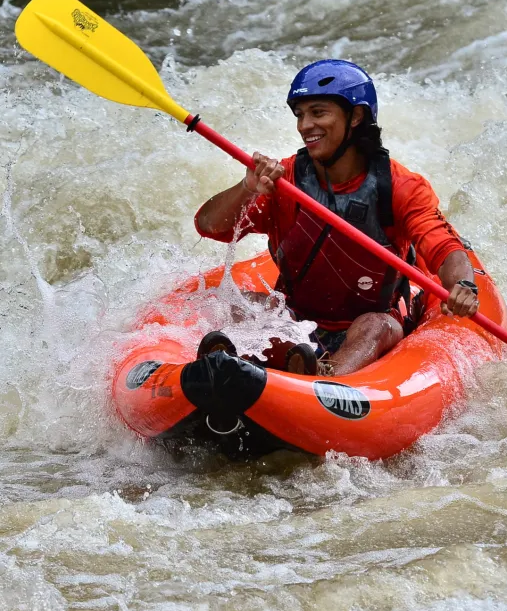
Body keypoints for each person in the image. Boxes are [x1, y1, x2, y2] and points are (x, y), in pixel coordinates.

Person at [194, 60, 480, 376]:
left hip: (374, 320)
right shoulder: (284, 180)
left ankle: (324, 379)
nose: (304, 125)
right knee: (236, 302)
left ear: (355, 116)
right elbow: (209, 226)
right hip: (298, 318)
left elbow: (444, 247)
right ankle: (253, 365)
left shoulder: (399, 186)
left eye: (318, 112)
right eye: (300, 115)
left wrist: (463, 286)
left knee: (373, 325)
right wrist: (247, 187)